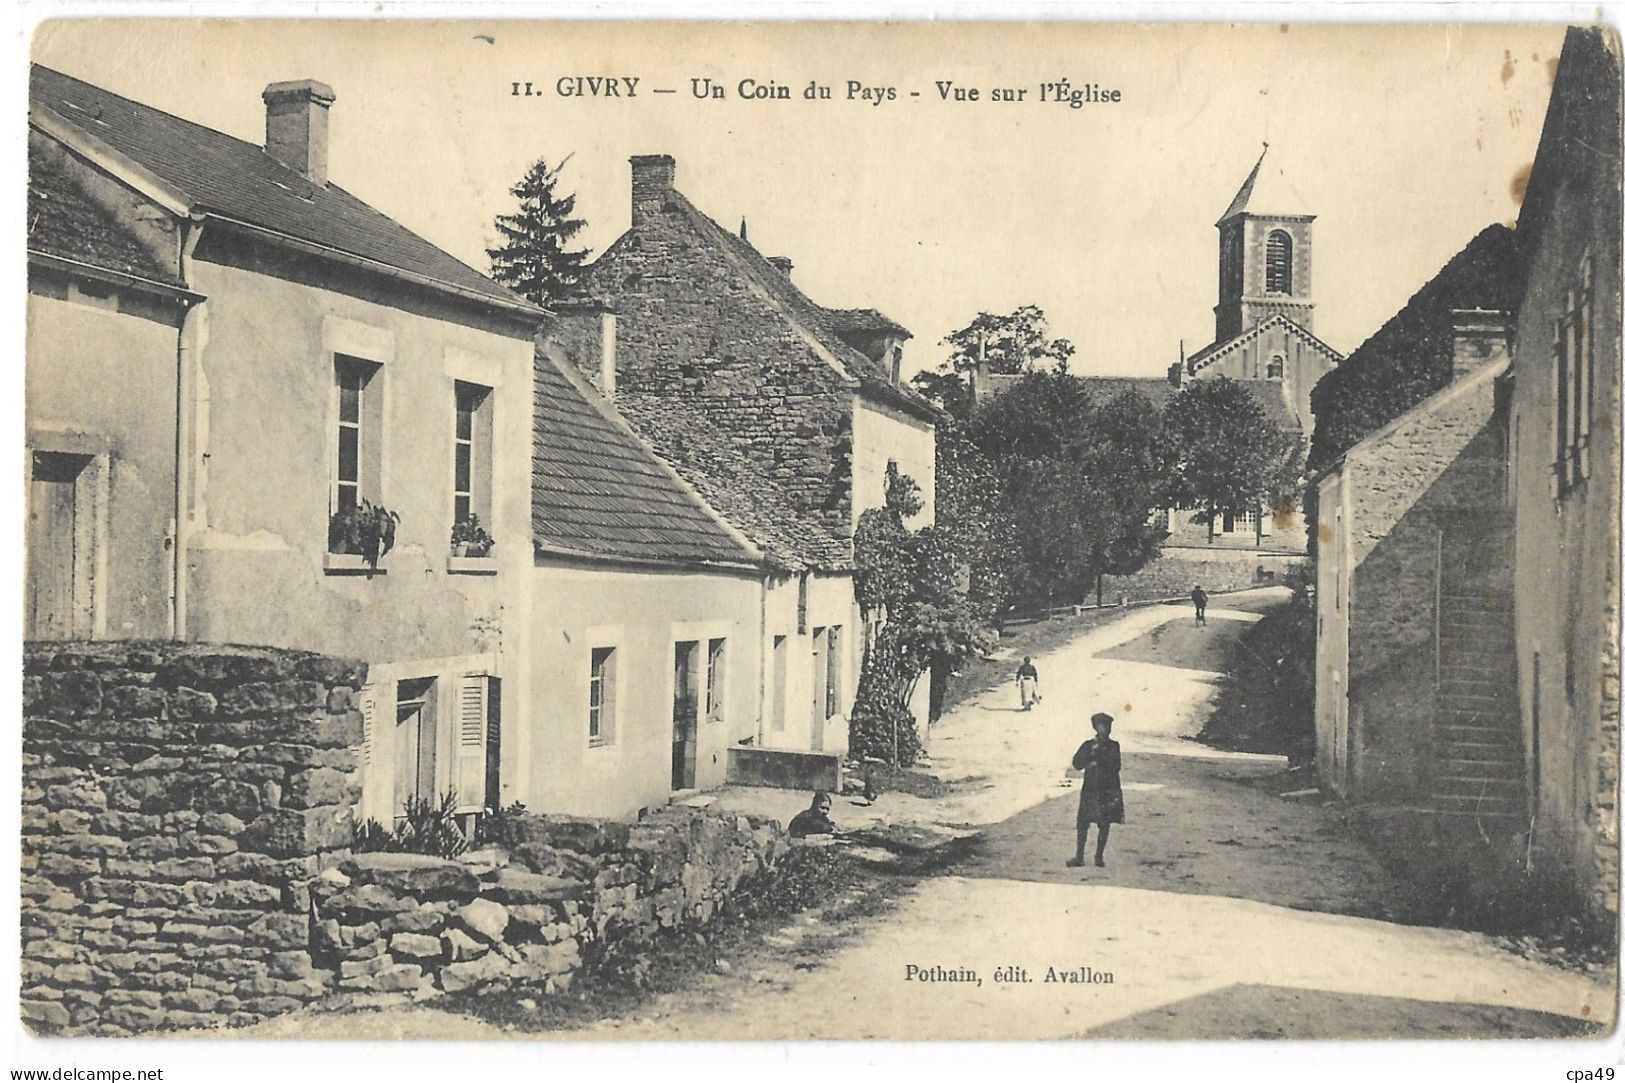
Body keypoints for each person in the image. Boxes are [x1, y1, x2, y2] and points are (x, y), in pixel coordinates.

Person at [1067, 712, 1125, 868]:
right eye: (1103, 726)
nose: (1107, 729)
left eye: (1108, 726)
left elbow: (1116, 766)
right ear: (1096, 727)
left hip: (1107, 789)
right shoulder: (1088, 745)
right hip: (1091, 789)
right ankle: (1079, 856)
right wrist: (1088, 761)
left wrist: (1096, 763)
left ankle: (1099, 856)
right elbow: (1076, 763)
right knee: (1083, 823)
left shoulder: (1114, 746)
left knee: (1104, 823)